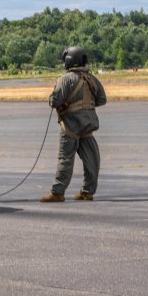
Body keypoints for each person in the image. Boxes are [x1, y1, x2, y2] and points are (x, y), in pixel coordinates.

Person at [40, 46, 107, 203]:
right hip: (88, 125)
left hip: (70, 126)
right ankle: (87, 192)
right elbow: (102, 100)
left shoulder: (65, 79)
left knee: (65, 159)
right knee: (92, 159)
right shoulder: (92, 79)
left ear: (69, 60)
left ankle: (58, 193)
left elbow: (55, 101)